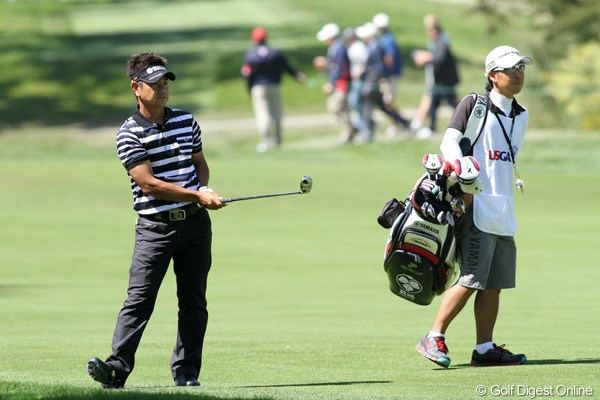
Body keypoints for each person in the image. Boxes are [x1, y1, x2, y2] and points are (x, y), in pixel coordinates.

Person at [86, 52, 227, 389]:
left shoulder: (186, 120)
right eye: (154, 84)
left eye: (165, 83)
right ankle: (117, 369)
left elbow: (199, 162)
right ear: (136, 87)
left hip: (195, 225)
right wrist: (196, 195)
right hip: (156, 228)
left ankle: (187, 372)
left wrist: (203, 186)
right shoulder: (128, 134)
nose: (162, 89)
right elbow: (148, 183)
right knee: (140, 300)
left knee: (193, 301)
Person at [415, 45, 532, 368]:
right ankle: (433, 335)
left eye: (521, 68)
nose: (518, 74)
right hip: (476, 206)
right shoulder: (475, 104)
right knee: (470, 279)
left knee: (494, 284)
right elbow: (449, 140)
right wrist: (463, 168)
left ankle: (484, 348)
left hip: (504, 210)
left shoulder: (521, 115)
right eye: (510, 69)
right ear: (492, 75)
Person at [241, 27, 306, 153]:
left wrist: (249, 89)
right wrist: (297, 75)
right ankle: (277, 142)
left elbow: (248, 75)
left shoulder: (251, 55)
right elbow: (286, 67)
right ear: (266, 38)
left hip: (258, 88)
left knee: (263, 115)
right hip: (275, 87)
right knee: (276, 115)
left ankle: (266, 142)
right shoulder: (275, 52)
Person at [356, 22, 410, 142]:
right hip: (372, 82)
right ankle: (406, 123)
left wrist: (373, 79)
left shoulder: (375, 47)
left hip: (373, 83)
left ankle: (367, 132)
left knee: (366, 105)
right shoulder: (372, 45)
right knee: (383, 107)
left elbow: (379, 67)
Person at [412, 20, 459, 137]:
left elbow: (439, 59)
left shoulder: (442, 42)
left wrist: (426, 59)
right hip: (438, 82)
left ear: (435, 31)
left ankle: (465, 123)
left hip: (446, 81)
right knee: (434, 104)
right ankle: (432, 128)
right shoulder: (435, 43)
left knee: (453, 104)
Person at [315, 23, 357, 144]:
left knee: (335, 108)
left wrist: (332, 85)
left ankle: (349, 131)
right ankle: (351, 130)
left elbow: (339, 69)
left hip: (341, 84)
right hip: (339, 83)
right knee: (342, 109)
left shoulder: (339, 48)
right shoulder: (335, 47)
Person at [343, 26, 369, 135]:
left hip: (360, 79)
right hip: (354, 80)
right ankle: (364, 125)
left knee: (356, 103)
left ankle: (363, 127)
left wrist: (358, 73)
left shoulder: (359, 47)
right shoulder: (351, 47)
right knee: (353, 103)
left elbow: (365, 62)